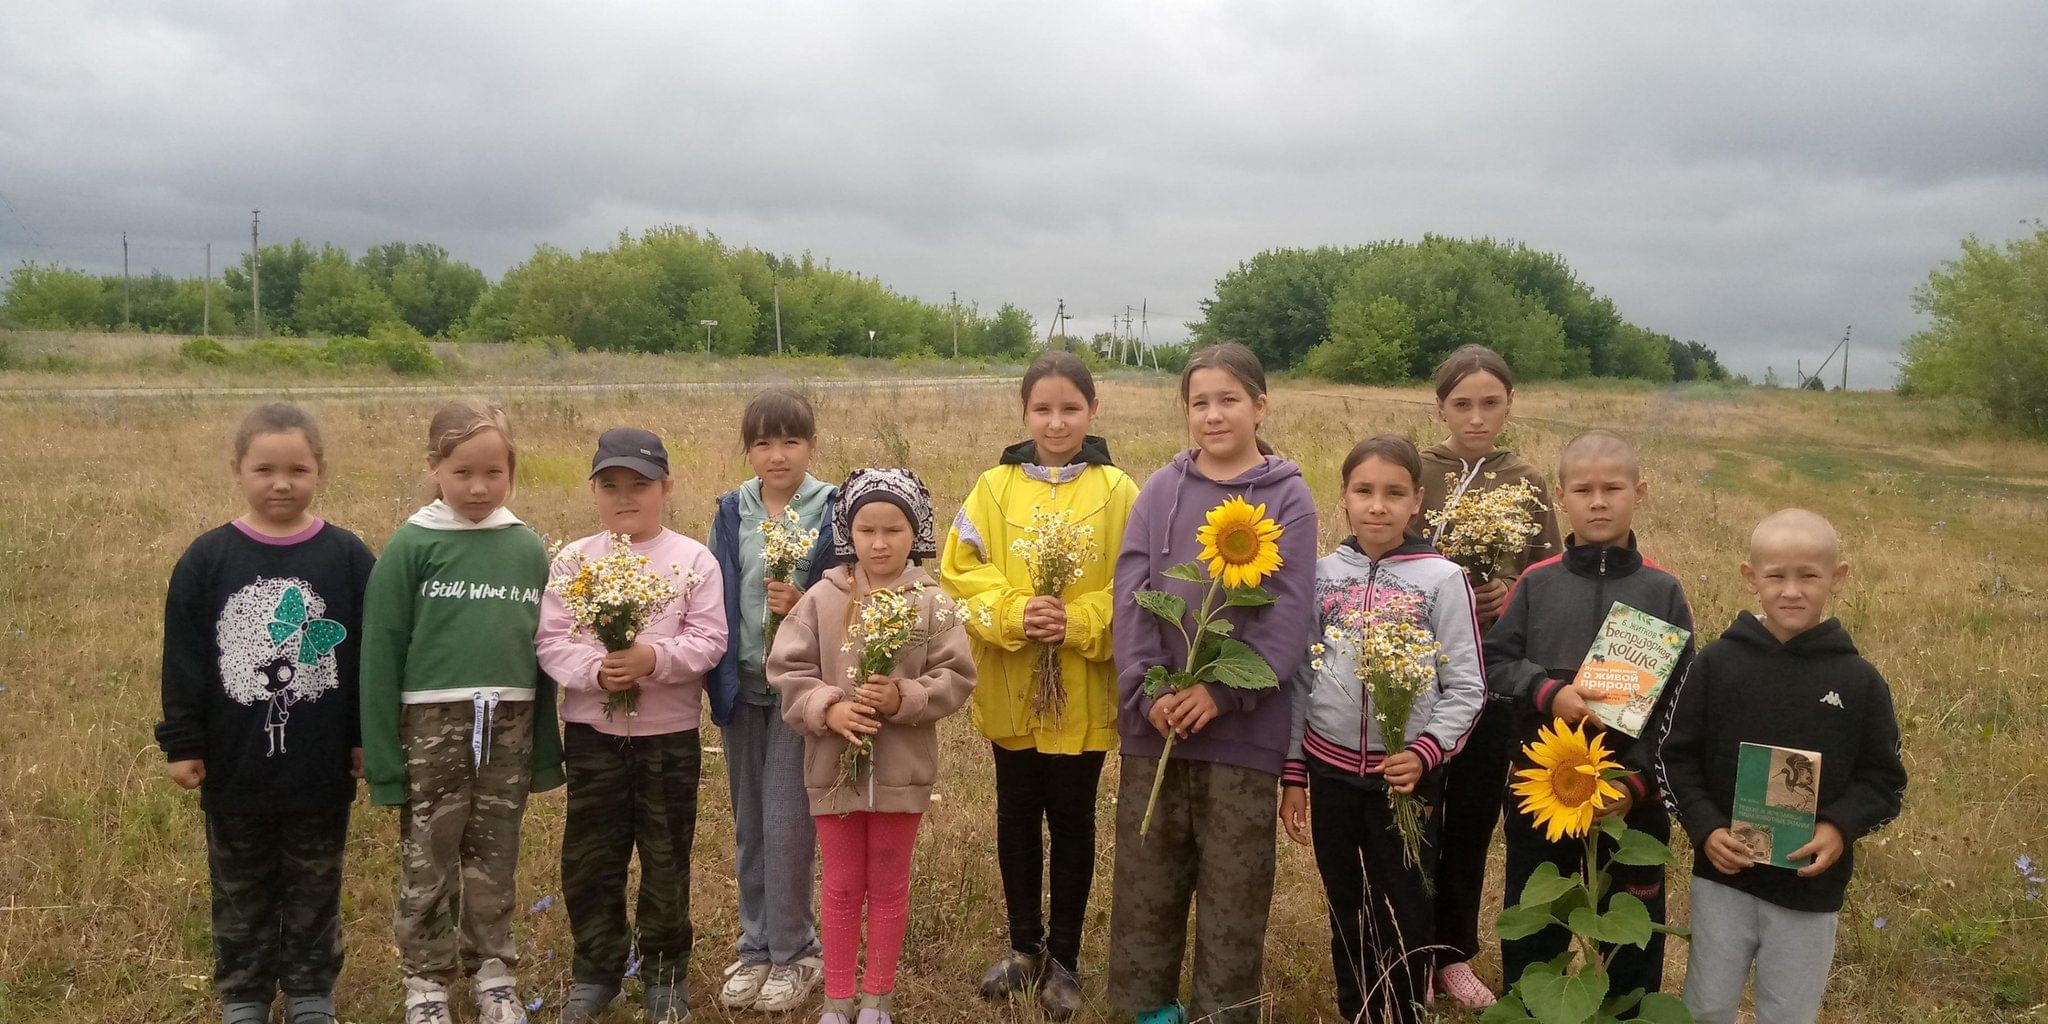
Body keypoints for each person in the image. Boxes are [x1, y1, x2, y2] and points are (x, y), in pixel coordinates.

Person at [1106, 343, 1319, 1024]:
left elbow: (1287, 618)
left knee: (1233, 895)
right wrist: (1151, 691)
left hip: (1242, 737)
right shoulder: (1159, 492)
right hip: (1155, 729)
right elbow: (1132, 596)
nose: (1213, 414)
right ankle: (1146, 1011)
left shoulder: (1288, 497)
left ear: (1260, 405)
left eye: (1229, 399)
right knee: (1146, 886)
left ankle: (1221, 1015)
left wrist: (1222, 692)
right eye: (1200, 402)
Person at [157, 403, 375, 1024]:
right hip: (234, 766)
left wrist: (364, 737)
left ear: (320, 471)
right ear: (238, 470)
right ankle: (245, 993)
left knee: (314, 884)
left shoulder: (348, 557)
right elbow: (185, 661)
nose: (282, 483)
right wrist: (183, 742)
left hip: (319, 767)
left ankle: (310, 990)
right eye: (265, 469)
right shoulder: (207, 559)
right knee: (239, 888)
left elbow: (365, 657)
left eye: (297, 469)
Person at [940, 351, 1138, 1019]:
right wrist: (1016, 612)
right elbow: (959, 572)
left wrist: (1079, 621)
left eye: (1070, 408)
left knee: (1074, 820)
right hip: (1013, 684)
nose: (1056, 421)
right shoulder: (992, 489)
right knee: (1017, 813)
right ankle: (1024, 948)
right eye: (1043, 409)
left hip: (1081, 687)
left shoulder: (1118, 492)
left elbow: (1137, 585)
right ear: (1023, 412)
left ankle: (1067, 959)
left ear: (1093, 411)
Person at [360, 398, 565, 1024]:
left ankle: (493, 970)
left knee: (495, 853)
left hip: (510, 726)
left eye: (493, 473)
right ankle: (425, 980)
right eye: (462, 472)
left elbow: (545, 652)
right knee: (429, 853)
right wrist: (383, 759)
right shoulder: (412, 547)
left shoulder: (528, 548)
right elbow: (380, 654)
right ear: (434, 467)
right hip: (430, 727)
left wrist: (545, 753)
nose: (478, 487)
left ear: (512, 471)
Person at [1658, 509, 1907, 1024]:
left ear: (1838, 579)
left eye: (1809, 576)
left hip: (1808, 889)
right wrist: (1705, 830)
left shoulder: (1859, 681)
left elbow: (1884, 782)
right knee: (1705, 1006)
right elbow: (1675, 757)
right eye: (1775, 576)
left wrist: (1839, 827)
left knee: (1789, 1012)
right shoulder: (1716, 664)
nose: (1791, 591)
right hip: (1723, 878)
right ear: (1750, 578)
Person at [1280, 434, 1486, 1024]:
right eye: (1364, 491)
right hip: (1331, 771)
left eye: (1394, 493)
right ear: (1342, 497)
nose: (1378, 505)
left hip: (1407, 779)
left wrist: (1424, 753)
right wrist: (1295, 773)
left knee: (1406, 899)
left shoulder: (1443, 580)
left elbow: (1468, 688)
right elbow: (1300, 678)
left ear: (1417, 500)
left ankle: (1402, 1008)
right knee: (1347, 899)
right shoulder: (1321, 576)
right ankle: (1359, 1008)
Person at [1483, 429, 1692, 1003]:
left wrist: (1641, 782)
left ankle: (1627, 1010)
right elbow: (1496, 662)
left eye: (1613, 488)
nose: (1598, 501)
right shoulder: (1537, 582)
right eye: (1583, 489)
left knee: (1632, 927)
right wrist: (1549, 693)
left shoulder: (1662, 590)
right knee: (1536, 912)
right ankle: (1532, 1010)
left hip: (1631, 798)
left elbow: (1679, 703)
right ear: (1560, 496)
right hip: (1543, 787)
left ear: (1639, 492)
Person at [770, 469, 977, 1024]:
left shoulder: (933, 602)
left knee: (887, 882)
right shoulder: (820, 598)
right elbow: (787, 669)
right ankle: (837, 1001)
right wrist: (827, 707)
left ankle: (876, 1001)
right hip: (831, 770)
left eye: (894, 529)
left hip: (901, 774)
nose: (879, 542)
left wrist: (903, 697)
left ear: (917, 534)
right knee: (838, 885)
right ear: (847, 533)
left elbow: (955, 677)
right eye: (867, 529)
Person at [539, 428, 728, 1024]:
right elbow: (551, 641)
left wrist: (654, 660)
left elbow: (709, 640)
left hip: (668, 739)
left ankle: (665, 974)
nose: (626, 498)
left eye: (640, 485)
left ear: (665, 488)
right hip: (594, 735)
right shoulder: (575, 560)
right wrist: (597, 672)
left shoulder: (692, 559)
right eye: (611, 486)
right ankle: (596, 972)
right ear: (594, 491)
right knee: (591, 858)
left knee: (667, 856)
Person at [1412, 344, 1561, 1010]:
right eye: (1462, 405)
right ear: (1440, 406)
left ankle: (1452, 956)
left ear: (1510, 404)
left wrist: (1509, 590)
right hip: (1415, 677)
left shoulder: (1525, 479)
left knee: (1472, 821)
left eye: (1490, 404)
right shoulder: (1417, 469)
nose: (1476, 418)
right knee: (1417, 817)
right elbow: (1379, 553)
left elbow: (1549, 575)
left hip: (1493, 681)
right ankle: (1409, 947)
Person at [708, 388, 838, 1013]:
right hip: (742, 686)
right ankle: (755, 945)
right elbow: (717, 587)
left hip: (799, 691)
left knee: (789, 820)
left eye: (790, 441)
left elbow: (846, 587)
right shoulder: (733, 510)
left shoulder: (834, 506)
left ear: (812, 446)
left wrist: (805, 597)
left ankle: (795, 951)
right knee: (750, 822)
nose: (777, 455)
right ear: (748, 450)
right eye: (762, 442)